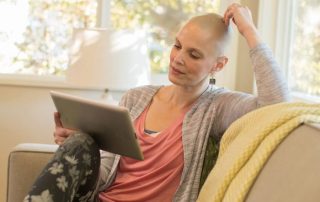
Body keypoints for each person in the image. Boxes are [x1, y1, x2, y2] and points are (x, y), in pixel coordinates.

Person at [24, 3, 289, 202]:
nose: (178, 59)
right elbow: (107, 173)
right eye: (177, 46)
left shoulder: (217, 107)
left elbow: (277, 104)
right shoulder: (136, 97)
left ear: (218, 65)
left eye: (194, 54)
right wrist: (78, 146)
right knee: (80, 143)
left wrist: (249, 30)